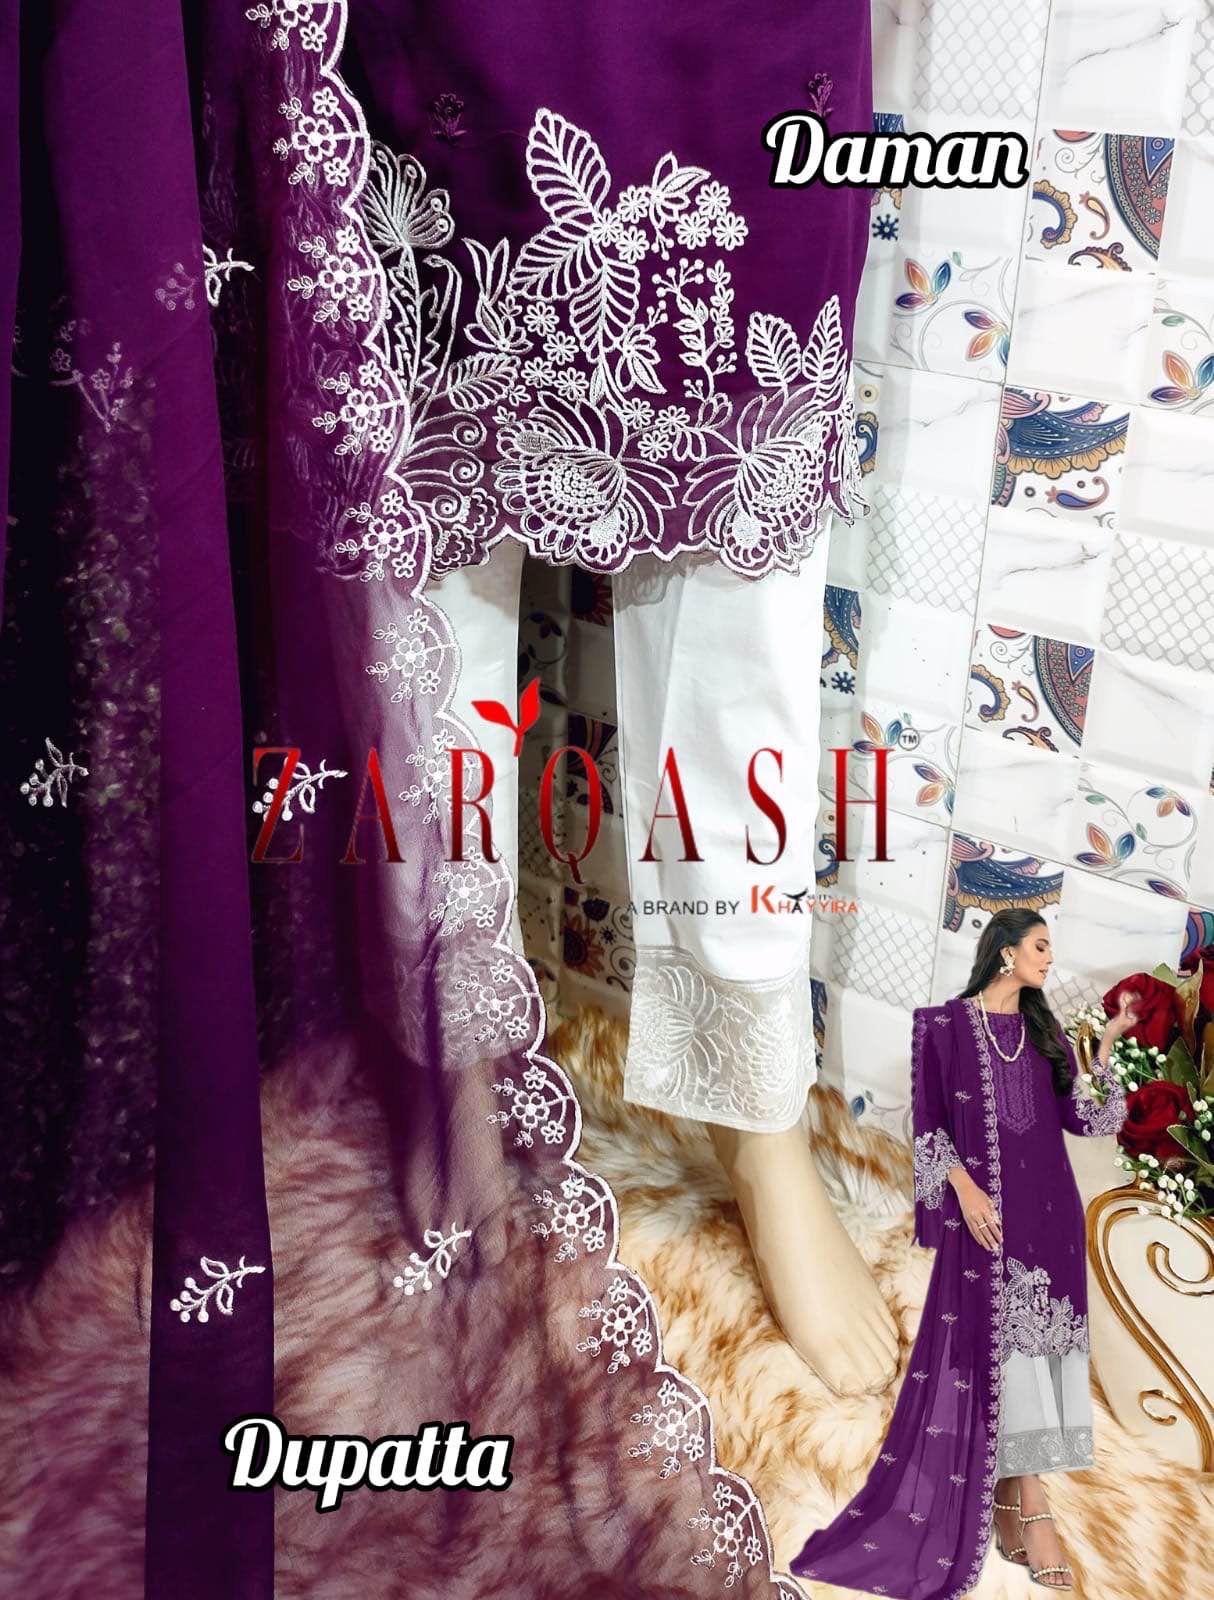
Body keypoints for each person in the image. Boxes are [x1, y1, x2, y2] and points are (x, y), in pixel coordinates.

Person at [790, 907, 1137, 1597]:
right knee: (993, 1351)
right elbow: (929, 1128)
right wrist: (965, 1189)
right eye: (1040, 947)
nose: (1048, 960)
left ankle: (1018, 1500)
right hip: (987, 1223)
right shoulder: (942, 1027)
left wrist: (1104, 1052)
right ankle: (1028, 1507)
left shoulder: (1046, 1034)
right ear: (1005, 952)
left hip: (1050, 1217)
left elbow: (1086, 1119)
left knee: (1040, 1353)